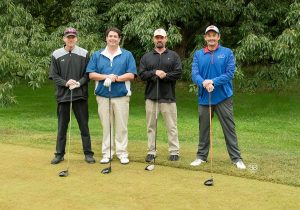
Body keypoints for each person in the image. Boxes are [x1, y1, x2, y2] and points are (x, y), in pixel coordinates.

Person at [190, 25, 246, 169]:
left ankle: (236, 158)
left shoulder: (227, 53)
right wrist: (203, 82)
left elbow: (229, 74)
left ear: (218, 37)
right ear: (205, 38)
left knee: (229, 128)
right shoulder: (198, 54)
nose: (211, 38)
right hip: (204, 97)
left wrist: (213, 81)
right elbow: (194, 74)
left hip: (223, 97)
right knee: (204, 128)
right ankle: (201, 156)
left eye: (214, 35)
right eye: (209, 35)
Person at [86, 27, 137, 165]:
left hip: (121, 96)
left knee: (121, 126)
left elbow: (131, 74)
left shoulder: (127, 55)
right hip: (103, 96)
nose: (112, 38)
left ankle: (122, 153)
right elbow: (91, 74)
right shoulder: (97, 55)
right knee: (106, 126)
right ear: (106, 38)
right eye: (110, 36)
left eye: (115, 36)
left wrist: (116, 78)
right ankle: (107, 153)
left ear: (119, 39)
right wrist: (106, 76)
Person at [49, 27, 95, 164]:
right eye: (68, 37)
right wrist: (66, 83)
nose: (70, 39)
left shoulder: (84, 53)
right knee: (62, 127)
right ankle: (59, 154)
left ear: (76, 38)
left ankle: (88, 153)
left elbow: (88, 74)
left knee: (84, 126)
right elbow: (53, 75)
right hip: (63, 96)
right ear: (64, 39)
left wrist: (79, 83)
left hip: (80, 95)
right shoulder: (56, 54)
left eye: (73, 37)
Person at [139, 28, 182, 162]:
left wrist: (166, 75)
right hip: (151, 97)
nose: (159, 40)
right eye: (157, 37)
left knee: (171, 126)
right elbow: (142, 74)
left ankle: (174, 151)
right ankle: (151, 151)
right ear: (153, 39)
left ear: (166, 39)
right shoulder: (147, 56)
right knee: (151, 126)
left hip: (168, 96)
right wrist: (154, 73)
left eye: (161, 37)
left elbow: (178, 73)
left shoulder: (173, 55)